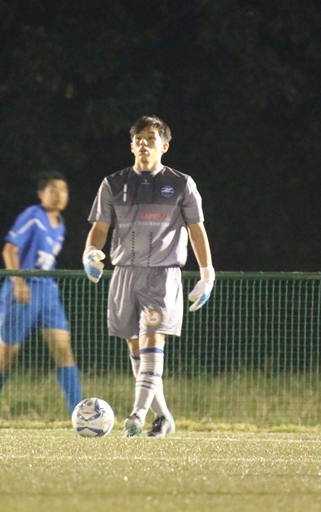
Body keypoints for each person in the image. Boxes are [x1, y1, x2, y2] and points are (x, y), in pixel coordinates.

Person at [83, 115, 214, 437]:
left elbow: (196, 230)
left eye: (151, 139)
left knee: (153, 339)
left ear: (164, 146)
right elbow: (100, 227)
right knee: (136, 348)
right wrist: (90, 253)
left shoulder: (181, 183)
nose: (144, 144)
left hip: (162, 276)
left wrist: (207, 273)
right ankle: (164, 417)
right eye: (138, 139)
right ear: (131, 146)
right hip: (124, 274)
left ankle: (137, 415)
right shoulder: (113, 183)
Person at [0, 171, 82, 419]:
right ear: (41, 194)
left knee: (64, 351)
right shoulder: (33, 215)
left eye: (63, 190)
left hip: (48, 292)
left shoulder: (60, 224)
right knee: (7, 357)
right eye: (53, 189)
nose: (59, 195)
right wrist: (18, 282)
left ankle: (80, 414)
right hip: (22, 290)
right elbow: (9, 249)